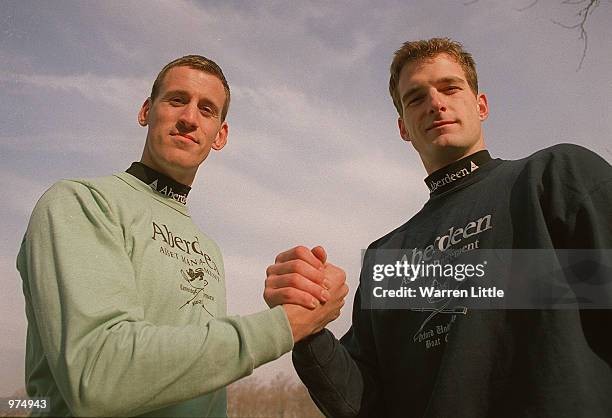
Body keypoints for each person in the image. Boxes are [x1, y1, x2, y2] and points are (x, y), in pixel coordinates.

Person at [264, 38, 612, 417]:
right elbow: (365, 404)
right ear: (403, 128)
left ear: (481, 105)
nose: (435, 103)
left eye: (450, 87)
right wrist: (305, 326)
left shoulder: (555, 176)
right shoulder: (389, 255)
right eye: (415, 98)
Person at [17, 55, 346, 417]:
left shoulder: (209, 249)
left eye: (207, 109)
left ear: (220, 135)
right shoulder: (82, 203)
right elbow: (98, 374)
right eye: (176, 100)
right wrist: (285, 324)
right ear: (146, 111)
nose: (189, 118)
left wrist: (309, 296)